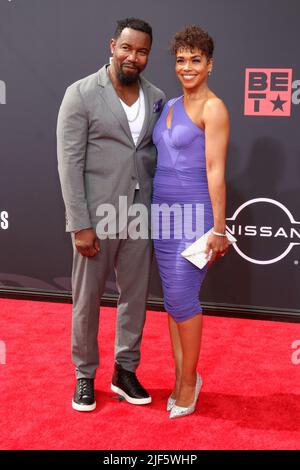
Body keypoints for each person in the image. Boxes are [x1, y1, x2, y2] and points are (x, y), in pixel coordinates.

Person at [57, 17, 165, 411]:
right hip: (97, 217)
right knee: (87, 300)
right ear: (112, 46)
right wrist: (79, 223)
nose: (133, 57)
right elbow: (69, 164)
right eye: (127, 48)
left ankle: (125, 370)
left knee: (134, 298)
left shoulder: (156, 96)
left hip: (139, 214)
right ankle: (84, 375)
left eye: (142, 51)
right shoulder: (81, 93)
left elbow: (153, 155)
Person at [152, 25, 229, 418]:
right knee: (171, 300)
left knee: (183, 299)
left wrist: (218, 227)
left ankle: (188, 383)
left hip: (194, 216)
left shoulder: (213, 108)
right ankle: (182, 373)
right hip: (161, 215)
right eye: (181, 60)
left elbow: (216, 170)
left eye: (195, 60)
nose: (187, 67)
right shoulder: (167, 106)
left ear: (210, 64)